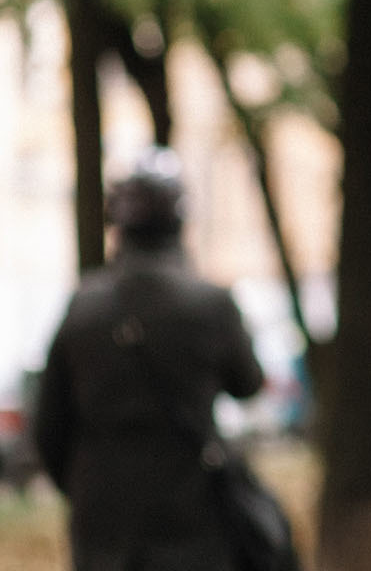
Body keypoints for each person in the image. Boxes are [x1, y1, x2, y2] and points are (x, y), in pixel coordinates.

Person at [35, 153, 269, 571]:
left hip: (103, 524)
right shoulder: (210, 303)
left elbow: (48, 425)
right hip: (192, 517)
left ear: (118, 225)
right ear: (180, 222)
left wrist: (82, 486)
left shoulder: (83, 307)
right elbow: (248, 383)